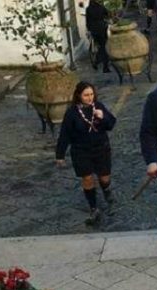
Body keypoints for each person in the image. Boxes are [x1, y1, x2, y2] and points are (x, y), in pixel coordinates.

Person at [56, 82, 117, 225]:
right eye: (86, 95)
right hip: (81, 151)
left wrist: (103, 117)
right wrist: (60, 155)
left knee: (104, 178)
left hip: (101, 149)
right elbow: (64, 134)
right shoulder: (71, 113)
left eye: (91, 94)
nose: (90, 98)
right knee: (87, 179)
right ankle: (93, 207)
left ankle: (107, 193)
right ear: (79, 96)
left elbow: (111, 124)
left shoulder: (99, 106)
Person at [85, 0, 111, 73]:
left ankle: (97, 61)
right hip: (102, 28)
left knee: (100, 46)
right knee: (104, 47)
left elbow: (87, 21)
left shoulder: (88, 9)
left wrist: (89, 30)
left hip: (93, 29)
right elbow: (107, 14)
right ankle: (104, 66)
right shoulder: (101, 7)